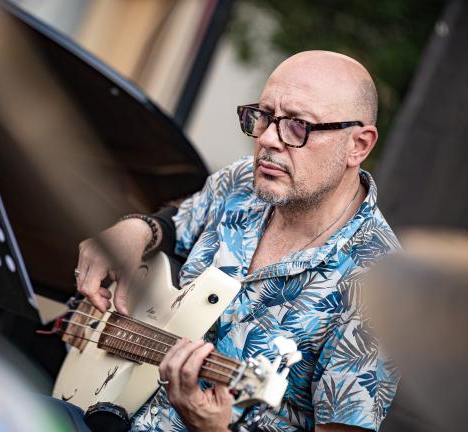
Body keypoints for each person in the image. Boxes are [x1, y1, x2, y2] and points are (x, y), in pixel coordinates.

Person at [74, 50, 399, 432]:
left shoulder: (381, 289)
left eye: (298, 125)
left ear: (358, 145)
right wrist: (138, 229)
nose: (268, 139)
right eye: (264, 116)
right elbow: (178, 223)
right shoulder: (242, 182)